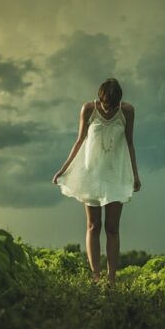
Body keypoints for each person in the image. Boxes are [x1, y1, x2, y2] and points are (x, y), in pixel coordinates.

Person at [51, 77, 141, 287]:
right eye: (106, 104)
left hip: (115, 175)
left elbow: (130, 143)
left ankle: (111, 279)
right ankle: (96, 276)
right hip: (90, 175)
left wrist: (135, 175)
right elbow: (79, 140)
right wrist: (63, 170)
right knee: (94, 225)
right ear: (100, 99)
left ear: (120, 101)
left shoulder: (127, 111)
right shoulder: (88, 109)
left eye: (114, 104)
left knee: (112, 227)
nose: (109, 108)